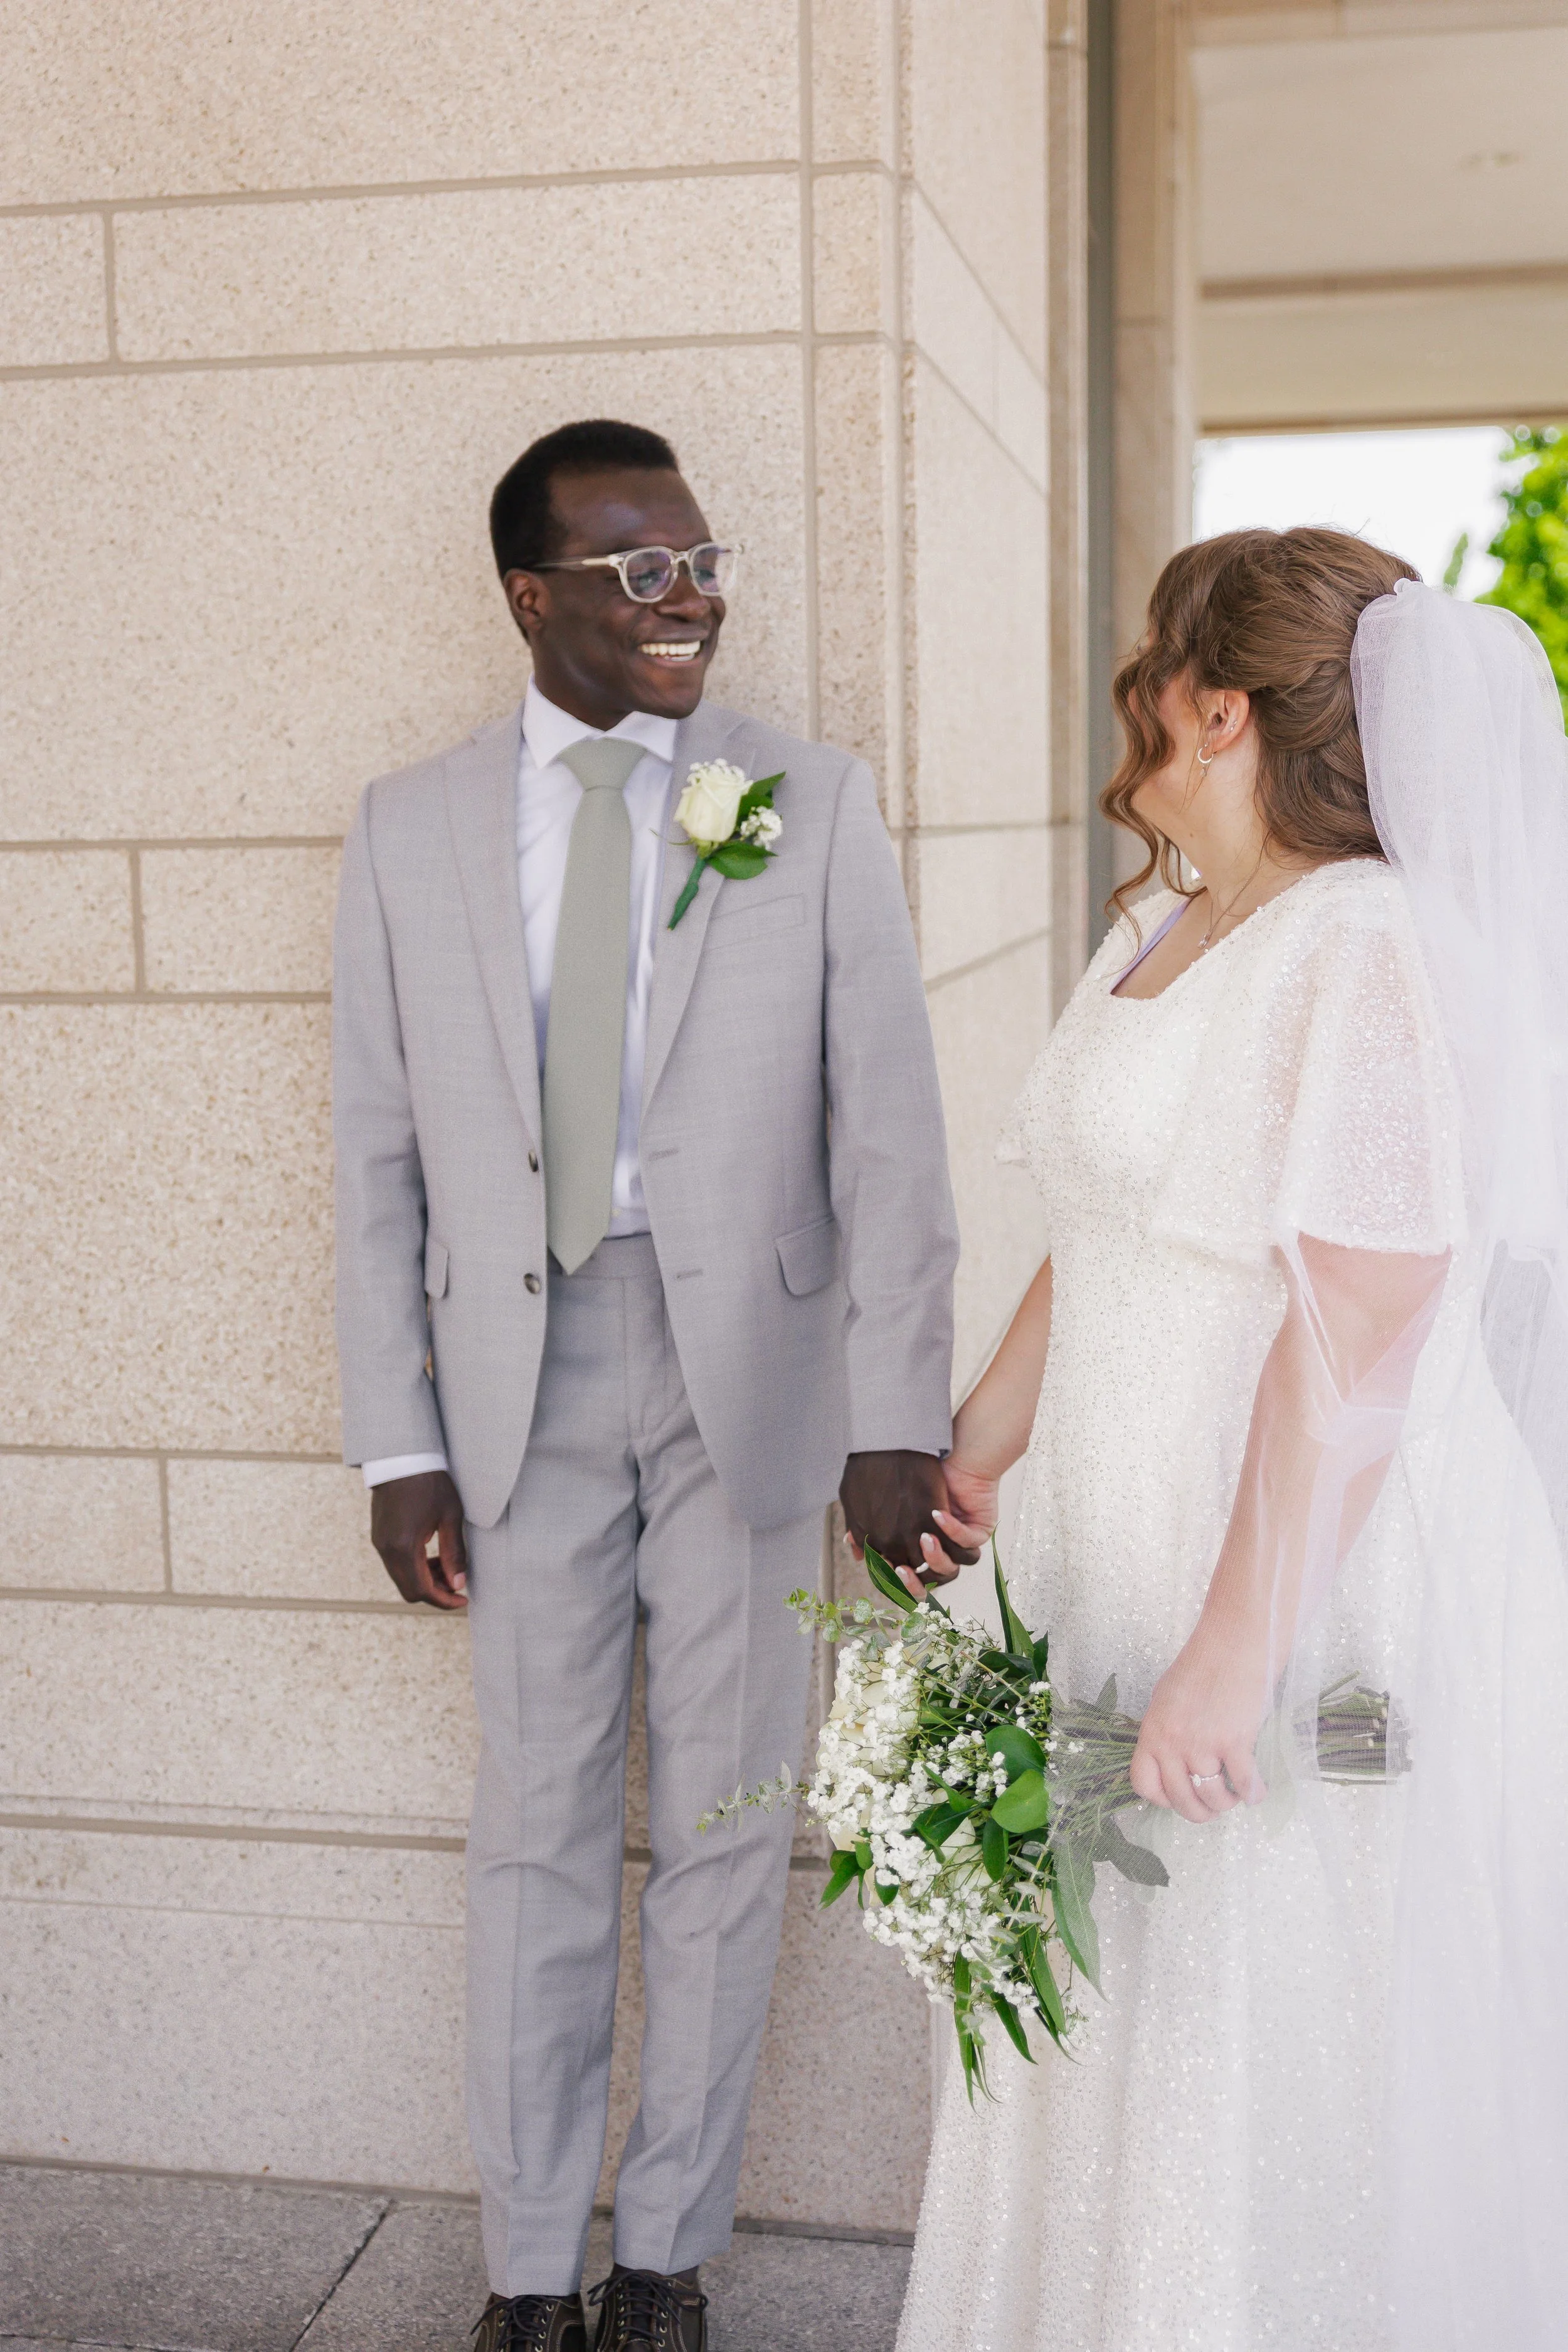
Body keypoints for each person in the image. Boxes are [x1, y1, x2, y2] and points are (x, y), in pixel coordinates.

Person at [332, 417, 972, 2352]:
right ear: (534, 597)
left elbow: (892, 1135)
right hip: (516, 1381)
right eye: (639, 568)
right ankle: (528, 2268)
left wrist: (895, 1412)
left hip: (754, 1384)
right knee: (535, 1823)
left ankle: (665, 2256)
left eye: (696, 560)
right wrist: (398, 1434)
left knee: (719, 1818)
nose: (688, 595)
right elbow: (374, 1156)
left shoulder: (809, 798)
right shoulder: (409, 826)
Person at [897, 530, 1568, 2349]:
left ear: (1216, 703)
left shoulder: (1357, 944)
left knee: (1242, 2011)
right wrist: (976, 1443)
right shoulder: (1167, 913)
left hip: (1274, 1584)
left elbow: (1353, 1325)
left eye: (1159, 686)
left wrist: (1232, 1645)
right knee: (1101, 2001)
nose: (1144, 717)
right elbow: (1101, 1222)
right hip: (1100, 1534)